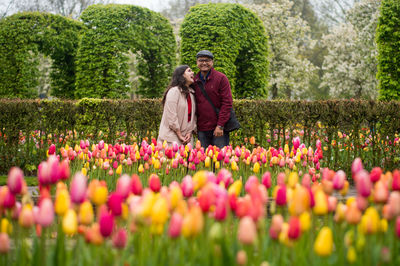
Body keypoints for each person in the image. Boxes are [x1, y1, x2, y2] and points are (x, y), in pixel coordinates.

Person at [193, 50, 233, 149]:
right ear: (197, 62)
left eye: (207, 60)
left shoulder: (221, 78)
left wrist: (220, 125)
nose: (204, 63)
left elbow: (227, 103)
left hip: (218, 128)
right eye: (201, 60)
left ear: (212, 62)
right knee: (203, 159)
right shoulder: (194, 80)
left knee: (219, 159)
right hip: (202, 128)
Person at [158, 65, 196, 146]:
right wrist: (179, 134)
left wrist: (189, 132)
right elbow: (171, 115)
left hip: (187, 138)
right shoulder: (174, 91)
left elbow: (192, 117)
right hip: (172, 137)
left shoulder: (192, 93)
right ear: (181, 75)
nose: (193, 72)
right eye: (189, 71)